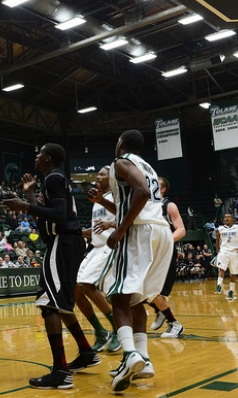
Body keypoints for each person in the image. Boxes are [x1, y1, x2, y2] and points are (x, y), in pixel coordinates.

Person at [2, 144, 96, 389]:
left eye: (40, 152)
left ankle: (61, 372)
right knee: (61, 305)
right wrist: (30, 195)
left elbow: (60, 216)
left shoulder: (54, 178)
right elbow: (45, 224)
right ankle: (86, 352)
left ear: (49, 158)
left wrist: (24, 205)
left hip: (63, 242)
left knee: (48, 304)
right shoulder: (52, 181)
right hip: (64, 242)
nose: (36, 155)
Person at [92, 130, 173, 393]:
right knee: (135, 298)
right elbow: (134, 200)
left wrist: (120, 230)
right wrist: (103, 201)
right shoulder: (145, 165)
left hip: (140, 231)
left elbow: (141, 194)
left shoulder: (121, 162)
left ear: (121, 144)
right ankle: (144, 359)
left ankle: (129, 355)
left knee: (118, 295)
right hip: (160, 231)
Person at [78, 166, 121, 354]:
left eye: (102, 174)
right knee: (75, 288)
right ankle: (100, 331)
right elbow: (95, 229)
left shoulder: (116, 197)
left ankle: (118, 329)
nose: (98, 177)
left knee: (87, 285)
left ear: (111, 178)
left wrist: (111, 223)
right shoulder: (96, 201)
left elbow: (130, 219)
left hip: (109, 248)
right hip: (95, 248)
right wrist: (78, 232)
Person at [148, 177, 186, 339]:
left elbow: (181, 230)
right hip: (147, 252)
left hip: (165, 253)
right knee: (136, 289)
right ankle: (160, 311)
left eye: (154, 183)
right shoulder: (145, 207)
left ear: (162, 189)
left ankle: (174, 324)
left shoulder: (168, 206)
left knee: (155, 291)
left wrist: (166, 240)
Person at [214, 213, 238, 300]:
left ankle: (231, 291)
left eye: (229, 217)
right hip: (224, 251)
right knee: (222, 268)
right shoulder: (220, 229)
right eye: (225, 217)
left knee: (233, 273)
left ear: (232, 219)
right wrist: (218, 251)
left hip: (235, 252)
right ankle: (219, 285)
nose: (227, 218)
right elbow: (217, 241)